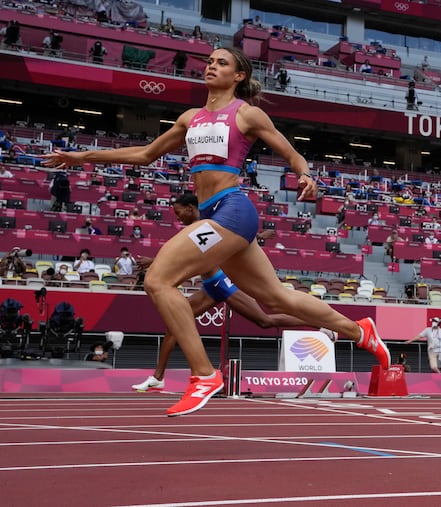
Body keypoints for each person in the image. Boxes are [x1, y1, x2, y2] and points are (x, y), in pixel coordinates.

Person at [42, 46, 390, 417]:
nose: (211, 65)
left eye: (221, 62)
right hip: (214, 214)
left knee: (159, 279)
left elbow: (291, 153)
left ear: (238, 75)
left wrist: (304, 174)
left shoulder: (246, 114)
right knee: (276, 300)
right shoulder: (189, 118)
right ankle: (360, 331)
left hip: (232, 211)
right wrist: (83, 157)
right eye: (209, 60)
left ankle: (204, 375)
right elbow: (145, 155)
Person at [132, 193, 338, 391]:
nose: (177, 217)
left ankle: (319, 324)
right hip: (210, 287)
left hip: (223, 283)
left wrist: (154, 263)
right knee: (174, 326)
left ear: (190, 208)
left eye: (179, 213)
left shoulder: (207, 224)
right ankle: (157, 378)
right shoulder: (197, 228)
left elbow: (230, 240)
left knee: (265, 321)